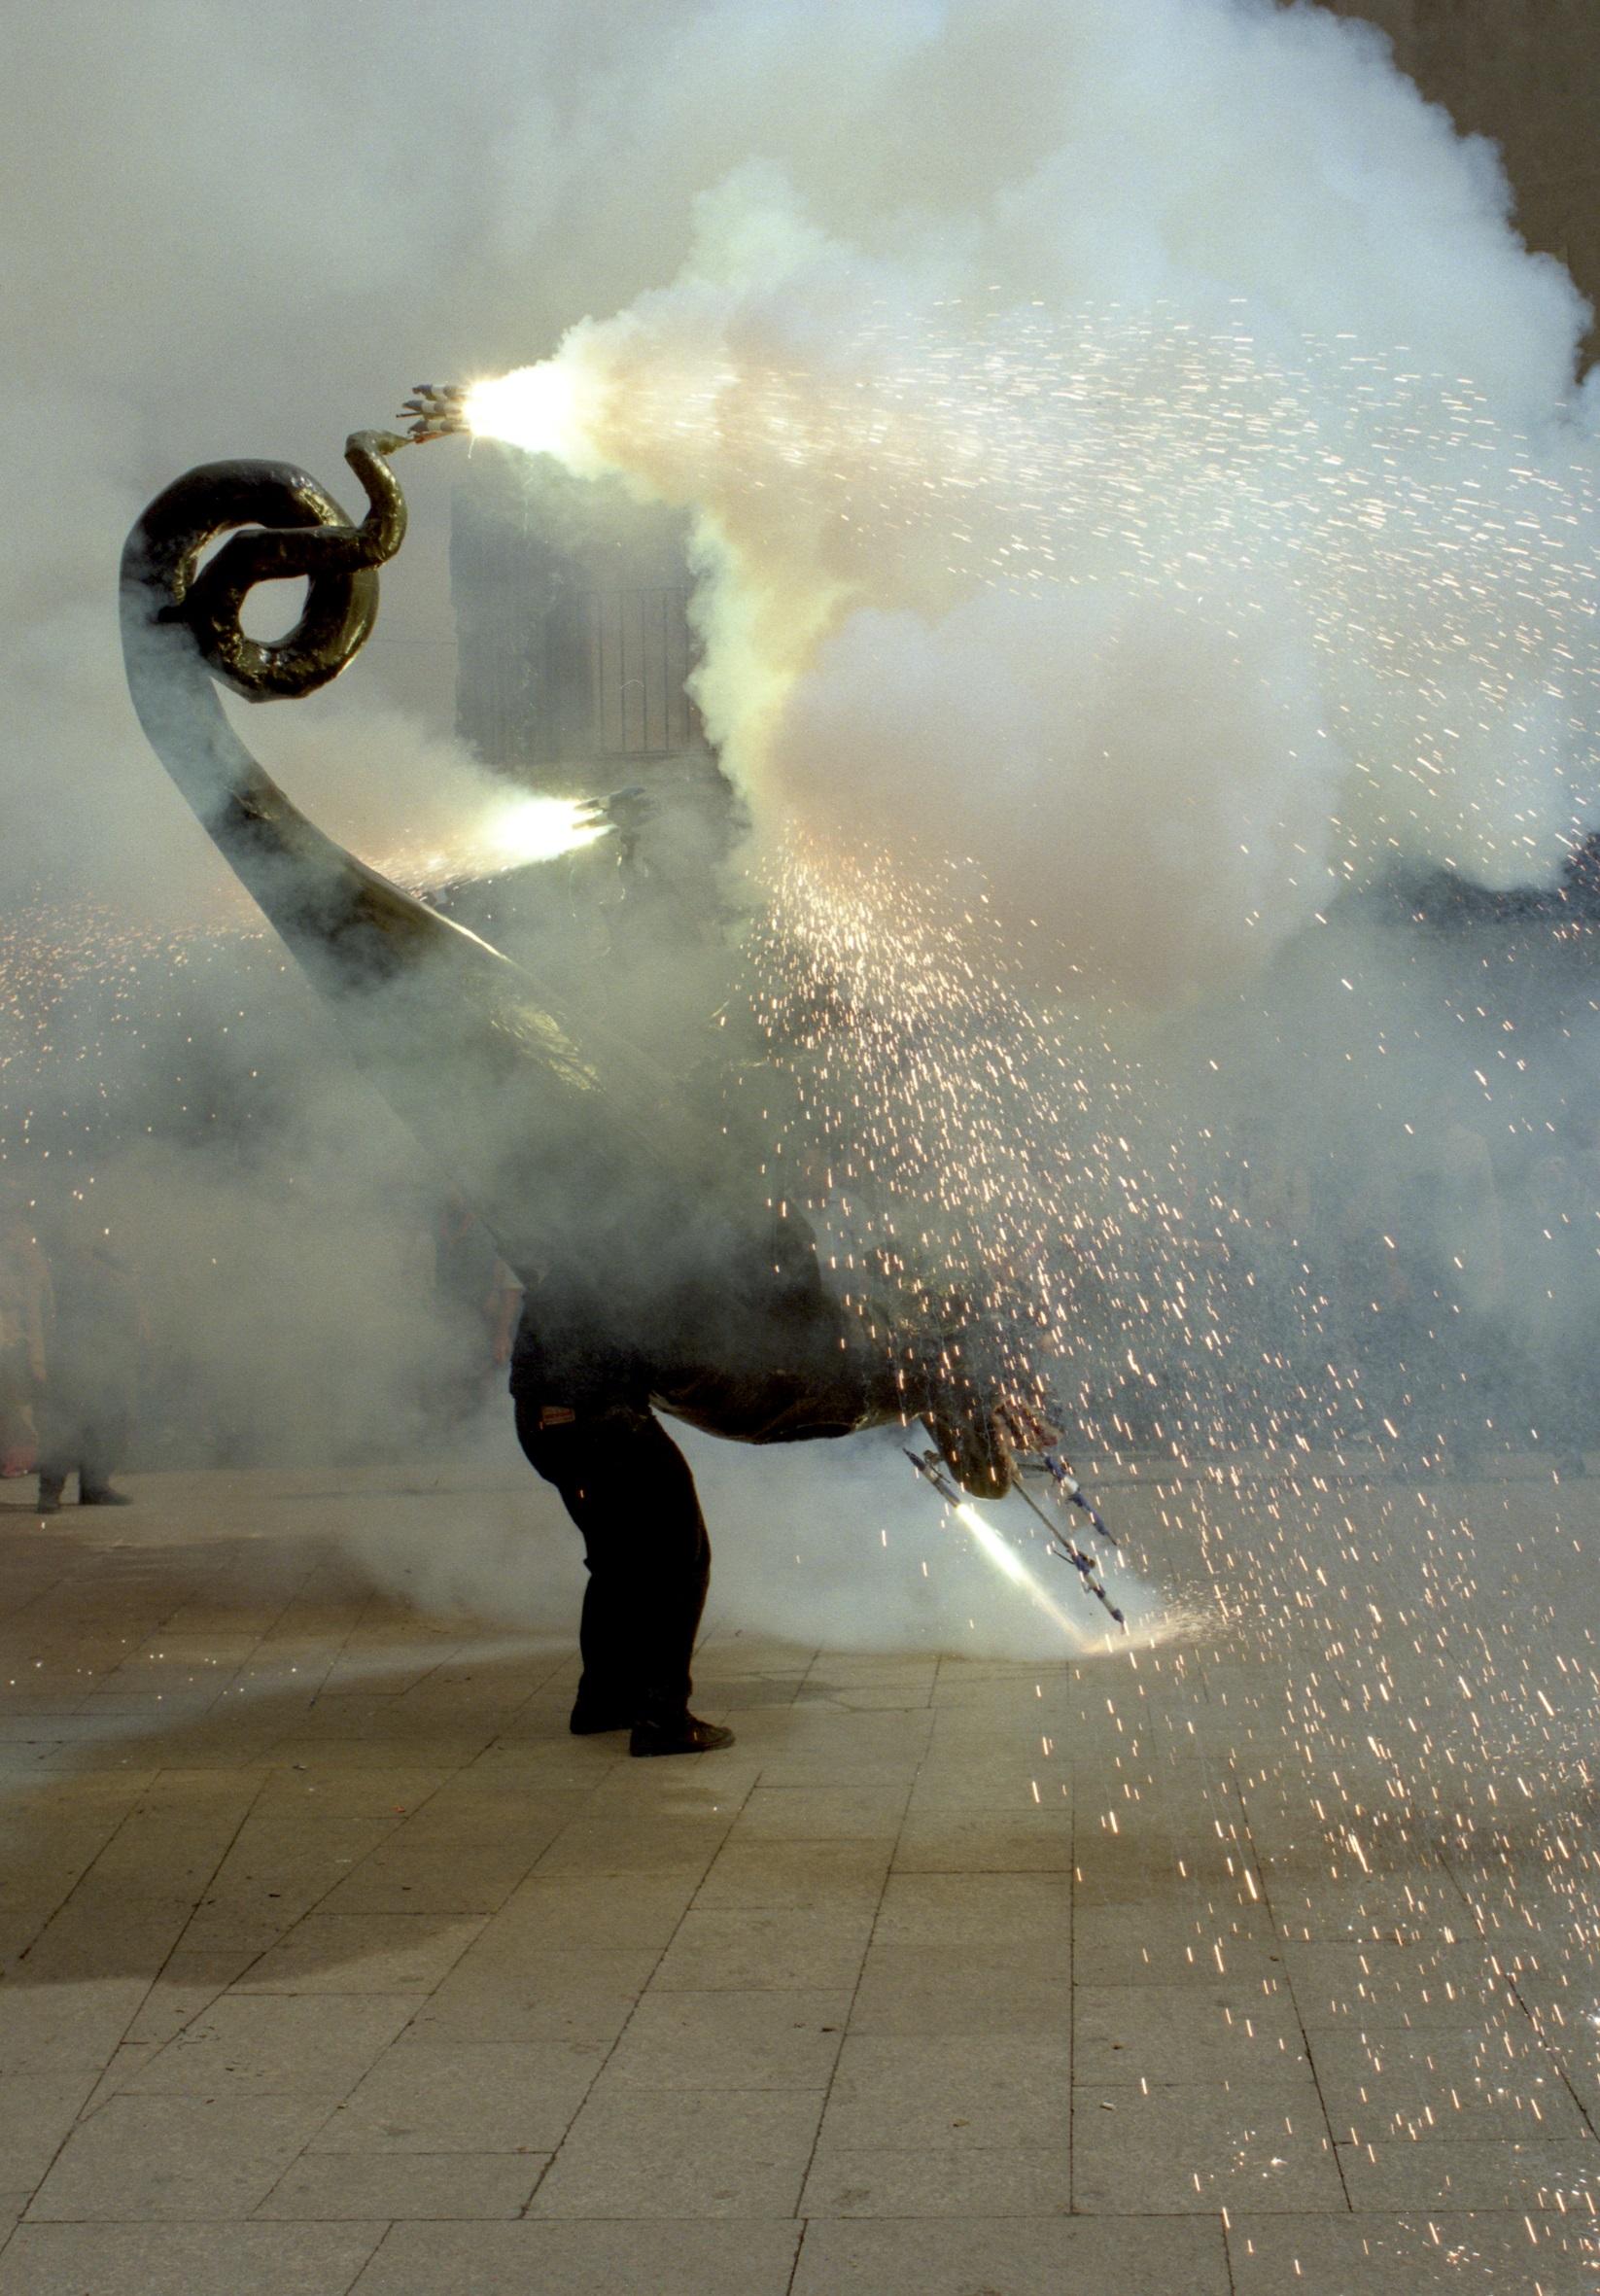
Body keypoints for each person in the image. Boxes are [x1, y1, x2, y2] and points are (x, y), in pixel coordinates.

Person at [36, 1207, 144, 1514]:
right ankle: (50, 1491)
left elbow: (126, 1309)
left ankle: (95, 1486)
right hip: (70, 1356)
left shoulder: (110, 1269)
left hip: (106, 1355)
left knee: (107, 1423)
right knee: (64, 1425)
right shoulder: (56, 1269)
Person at [0, 1190, 52, 1479]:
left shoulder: (24, 1242)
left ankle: (17, 1459)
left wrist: (37, 1359)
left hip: (15, 1339)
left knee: (17, 1404)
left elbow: (36, 1298)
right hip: (9, 1339)